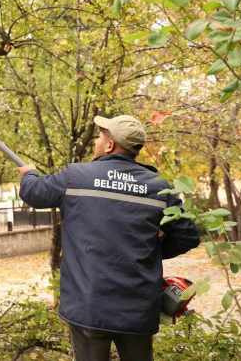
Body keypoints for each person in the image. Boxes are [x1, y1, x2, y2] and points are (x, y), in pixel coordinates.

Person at [17, 115, 200, 361]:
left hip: (88, 306)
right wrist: (151, 250)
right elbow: (188, 235)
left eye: (100, 135)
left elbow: (34, 193)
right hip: (137, 310)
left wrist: (29, 174)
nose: (97, 140)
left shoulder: (77, 177)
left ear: (110, 145)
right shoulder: (159, 188)